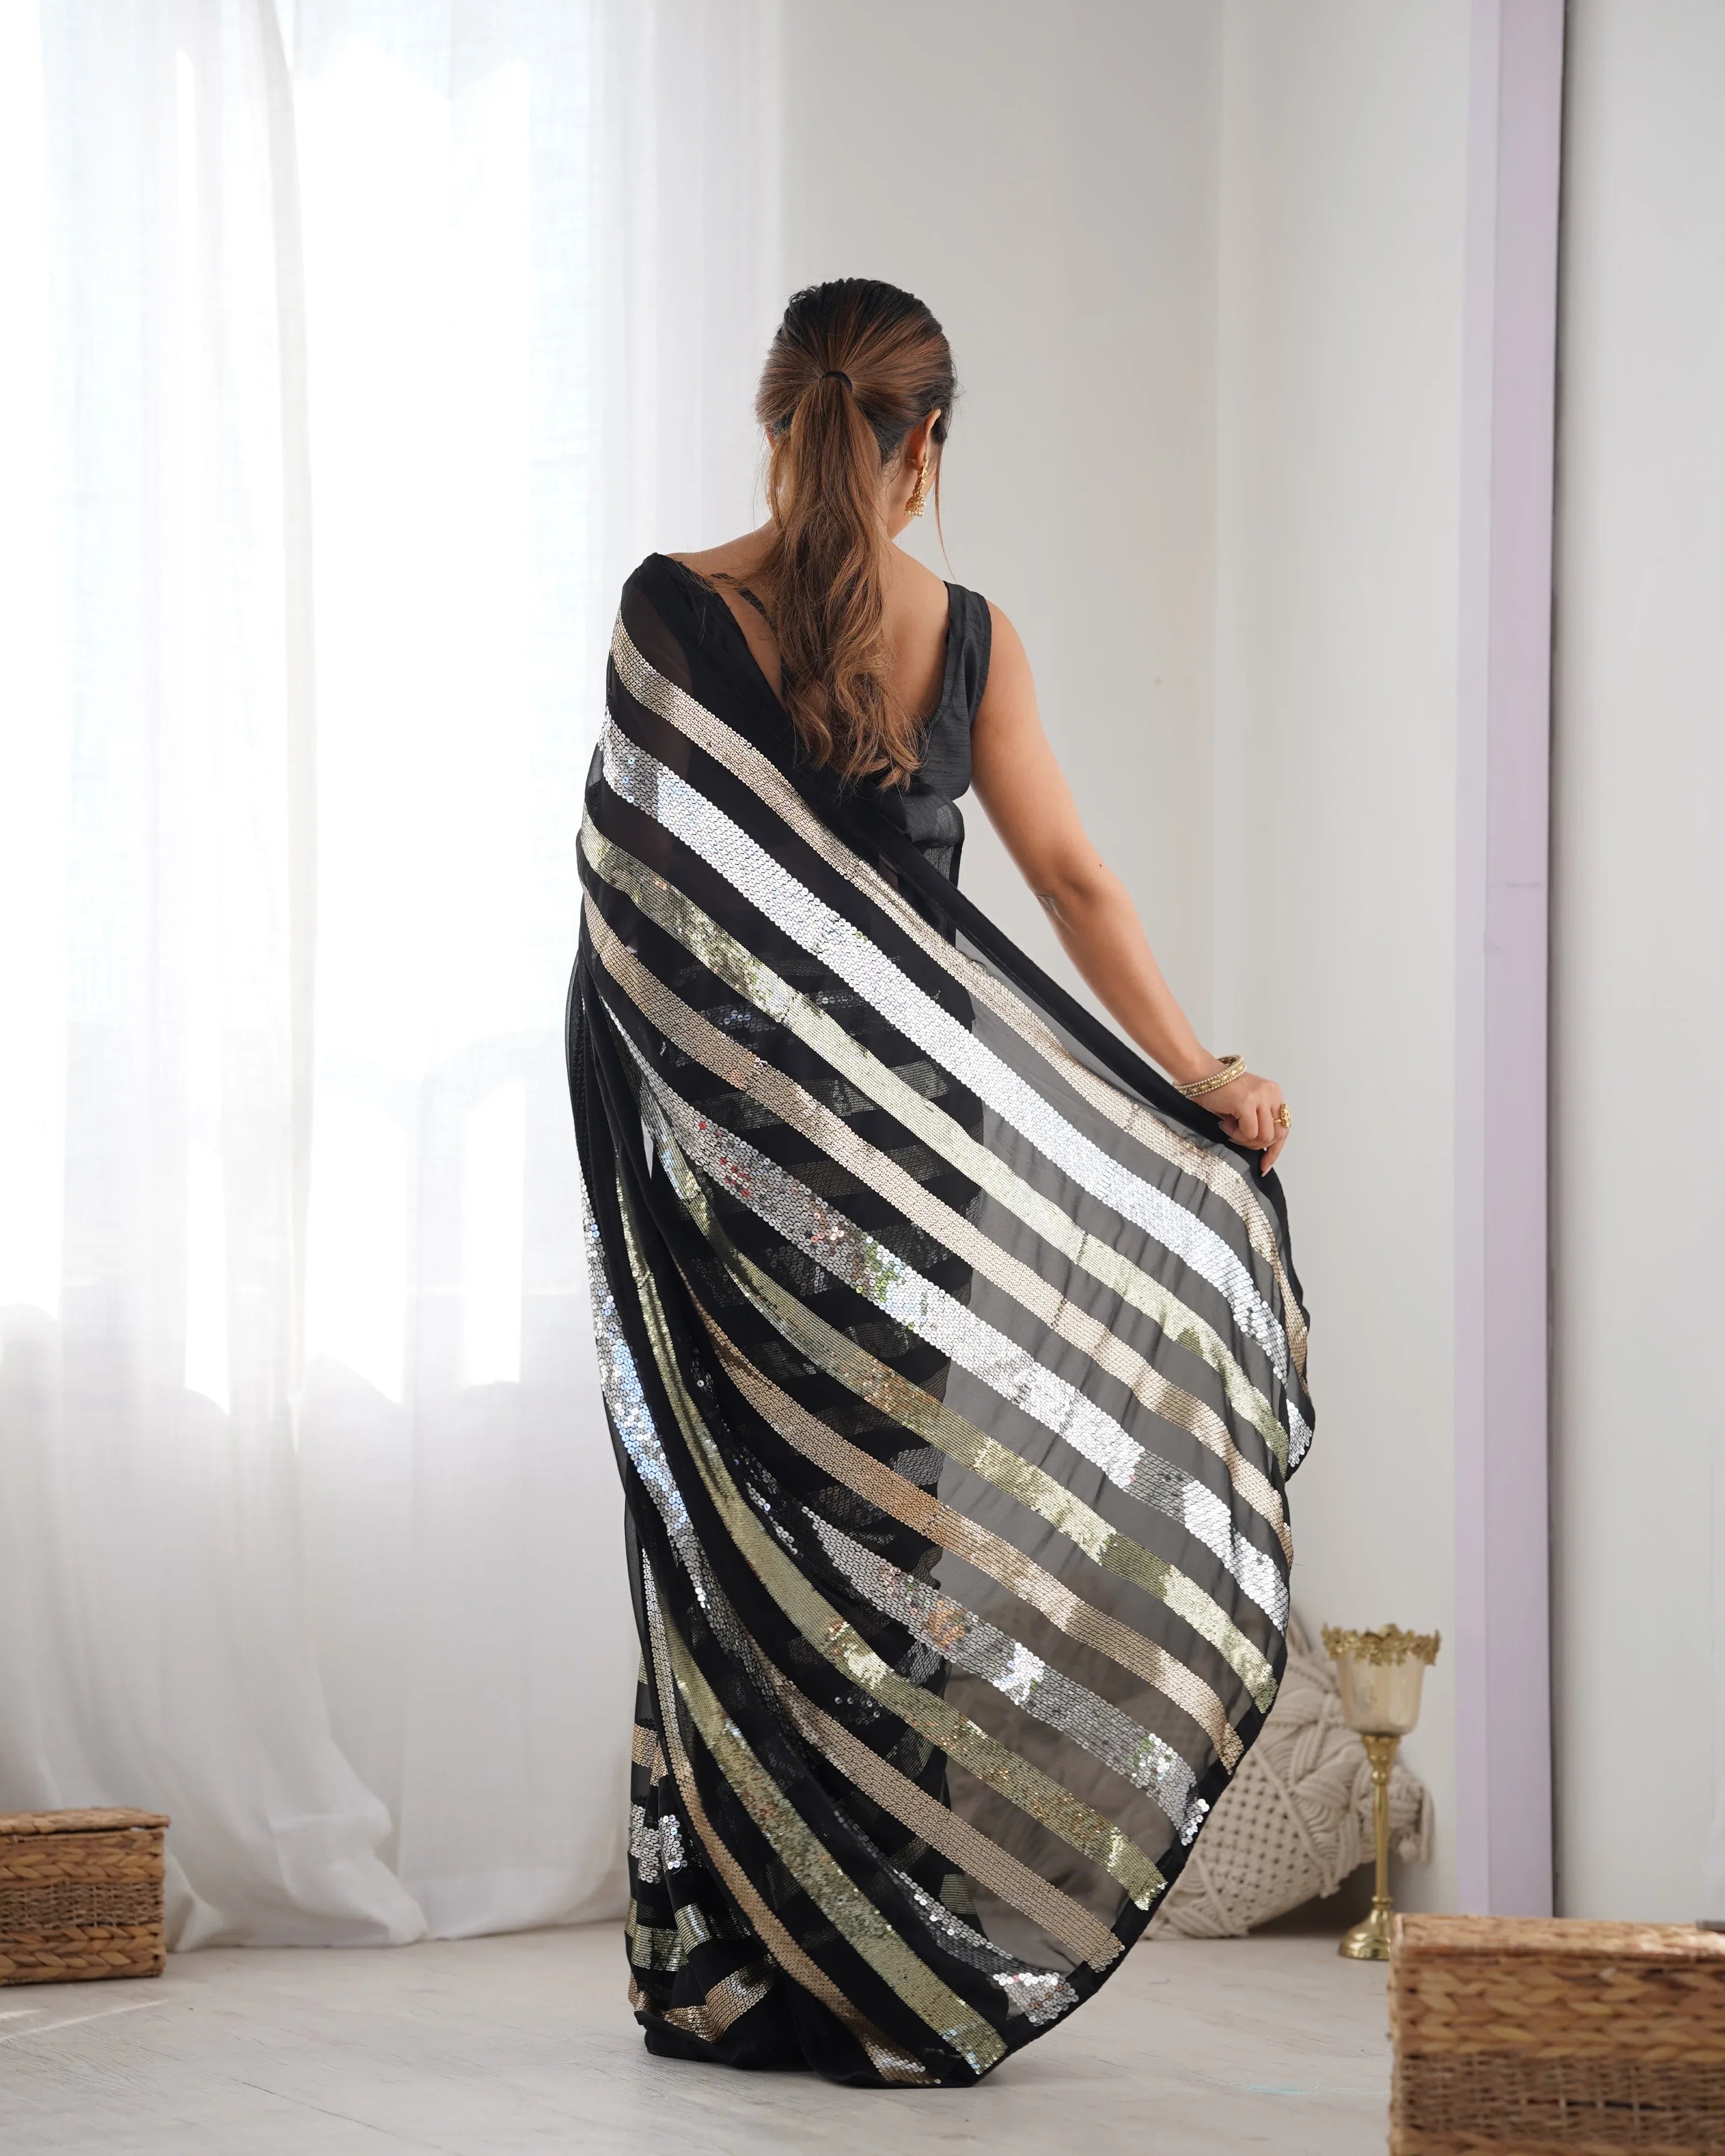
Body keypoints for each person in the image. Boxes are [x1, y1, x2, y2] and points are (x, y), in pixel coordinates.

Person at [567, 278, 1311, 2086]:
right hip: (913, 1177)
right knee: (887, 1536)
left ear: (772, 422)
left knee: (728, 1538)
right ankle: (887, 1964)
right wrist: (1200, 1073)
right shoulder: (963, 633)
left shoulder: (670, 613)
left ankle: (735, 1966)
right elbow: (1071, 882)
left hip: (733, 1178)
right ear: (927, 447)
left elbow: (630, 918)